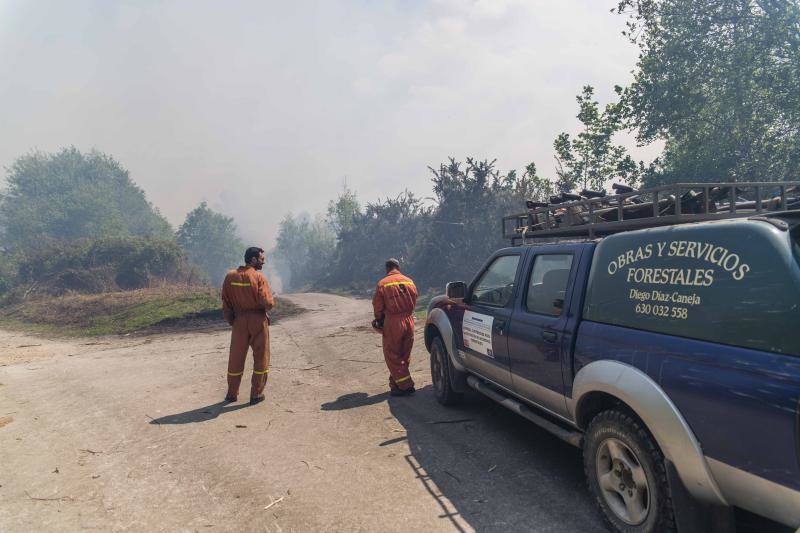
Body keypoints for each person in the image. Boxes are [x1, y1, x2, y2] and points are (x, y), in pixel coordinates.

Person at [221, 247, 274, 405]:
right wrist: (270, 303)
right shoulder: (259, 277)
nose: (263, 261)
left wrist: (233, 321)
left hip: (239, 321)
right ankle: (256, 394)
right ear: (252, 259)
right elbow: (267, 303)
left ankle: (231, 394)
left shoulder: (230, 277)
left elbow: (226, 303)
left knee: (236, 358)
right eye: (261, 258)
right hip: (258, 320)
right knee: (261, 357)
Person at [372, 258, 418, 397]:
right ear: (398, 267)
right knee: (404, 354)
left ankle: (406, 386)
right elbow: (416, 297)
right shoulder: (409, 281)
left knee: (392, 354)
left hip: (393, 322)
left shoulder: (383, 283)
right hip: (409, 320)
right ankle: (396, 385)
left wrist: (379, 320)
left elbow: (377, 305)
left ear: (387, 269)